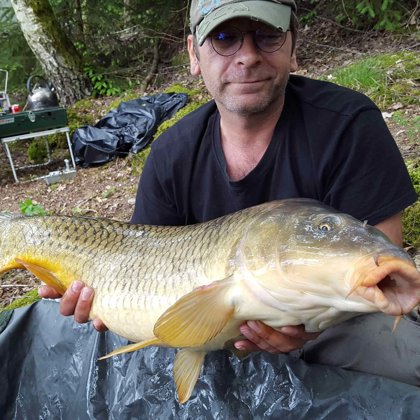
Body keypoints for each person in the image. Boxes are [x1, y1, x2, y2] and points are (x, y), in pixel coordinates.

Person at [40, 0, 418, 383]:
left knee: (399, 353)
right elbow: (138, 265)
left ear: (292, 46)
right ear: (194, 54)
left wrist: (310, 326)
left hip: (336, 326)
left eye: (267, 35)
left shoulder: (348, 124)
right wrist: (100, 297)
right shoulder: (172, 152)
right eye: (224, 37)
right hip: (206, 332)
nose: (248, 56)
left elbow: (384, 261)